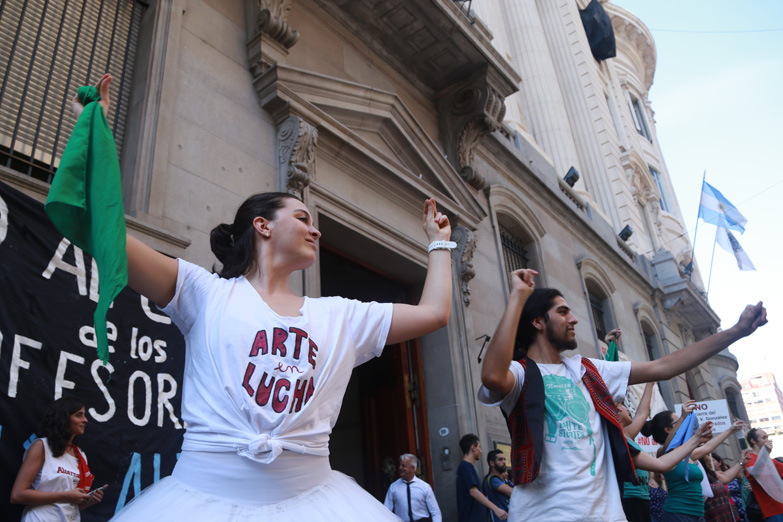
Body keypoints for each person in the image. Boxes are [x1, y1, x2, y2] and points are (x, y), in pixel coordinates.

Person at [75, 75, 455, 521]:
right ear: (262, 225)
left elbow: (434, 313)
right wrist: (95, 142)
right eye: (302, 217)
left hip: (316, 503)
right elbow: (108, 239)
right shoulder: (203, 292)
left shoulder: (340, 316)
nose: (315, 229)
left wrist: (439, 245)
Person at [479, 271, 767, 522]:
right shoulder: (519, 374)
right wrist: (518, 297)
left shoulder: (588, 370)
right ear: (538, 322)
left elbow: (663, 367)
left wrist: (737, 331)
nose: (575, 318)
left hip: (608, 515)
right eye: (563, 312)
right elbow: (492, 376)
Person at [642, 406, 746, 522]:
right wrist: (683, 417)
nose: (686, 423)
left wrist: (731, 429)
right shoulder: (663, 453)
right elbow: (669, 444)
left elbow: (707, 447)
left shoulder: (686, 454)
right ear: (668, 429)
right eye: (680, 421)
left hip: (697, 514)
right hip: (678, 513)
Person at [11, 397, 107, 521]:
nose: (85, 420)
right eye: (79, 415)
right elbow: (17, 495)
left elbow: (68, 505)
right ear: (64, 418)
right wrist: (65, 496)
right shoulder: (41, 446)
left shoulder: (80, 455)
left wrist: (88, 501)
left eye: (84, 415)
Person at [456, 434, 507, 522]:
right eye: (479, 447)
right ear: (473, 447)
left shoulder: (467, 467)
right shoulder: (465, 466)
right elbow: (473, 492)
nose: (481, 451)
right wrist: (496, 509)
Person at [384, 454, 442, 522]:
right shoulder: (393, 487)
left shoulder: (425, 487)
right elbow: (386, 510)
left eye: (403, 466)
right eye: (400, 465)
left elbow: (435, 512)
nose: (400, 468)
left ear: (412, 468)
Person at [745, 428, 783, 521]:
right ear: (753, 441)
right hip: (773, 511)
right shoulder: (749, 459)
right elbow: (757, 472)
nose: (768, 440)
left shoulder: (769, 460)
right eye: (764, 437)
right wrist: (765, 453)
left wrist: (766, 454)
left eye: (767, 437)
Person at [483, 450, 513, 522]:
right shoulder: (492, 479)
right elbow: (512, 492)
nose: (504, 462)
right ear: (492, 463)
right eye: (500, 459)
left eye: (504, 459)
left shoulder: (503, 480)